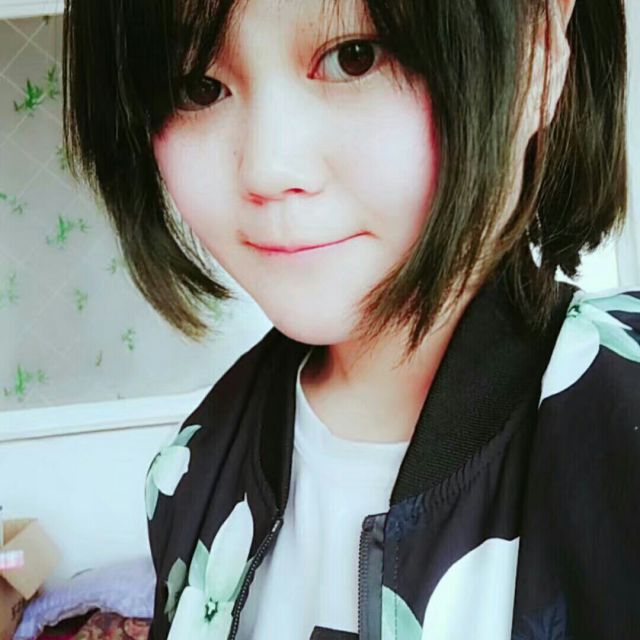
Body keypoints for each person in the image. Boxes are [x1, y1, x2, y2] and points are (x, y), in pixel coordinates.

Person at [61, 0, 640, 638]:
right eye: (198, 87)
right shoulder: (190, 470)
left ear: (540, 48)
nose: (268, 169)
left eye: (354, 57)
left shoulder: (620, 426)